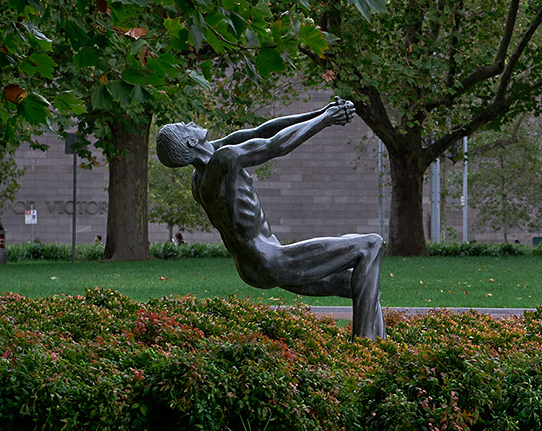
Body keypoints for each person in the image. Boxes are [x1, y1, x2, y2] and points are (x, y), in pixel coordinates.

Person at [156, 100, 386, 339]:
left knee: (363, 284)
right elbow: (274, 145)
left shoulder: (207, 167)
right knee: (371, 244)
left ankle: (376, 352)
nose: (191, 122)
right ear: (191, 141)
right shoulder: (223, 160)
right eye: (185, 125)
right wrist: (326, 119)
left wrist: (320, 112)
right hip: (271, 260)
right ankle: (364, 347)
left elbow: (261, 132)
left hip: (257, 264)